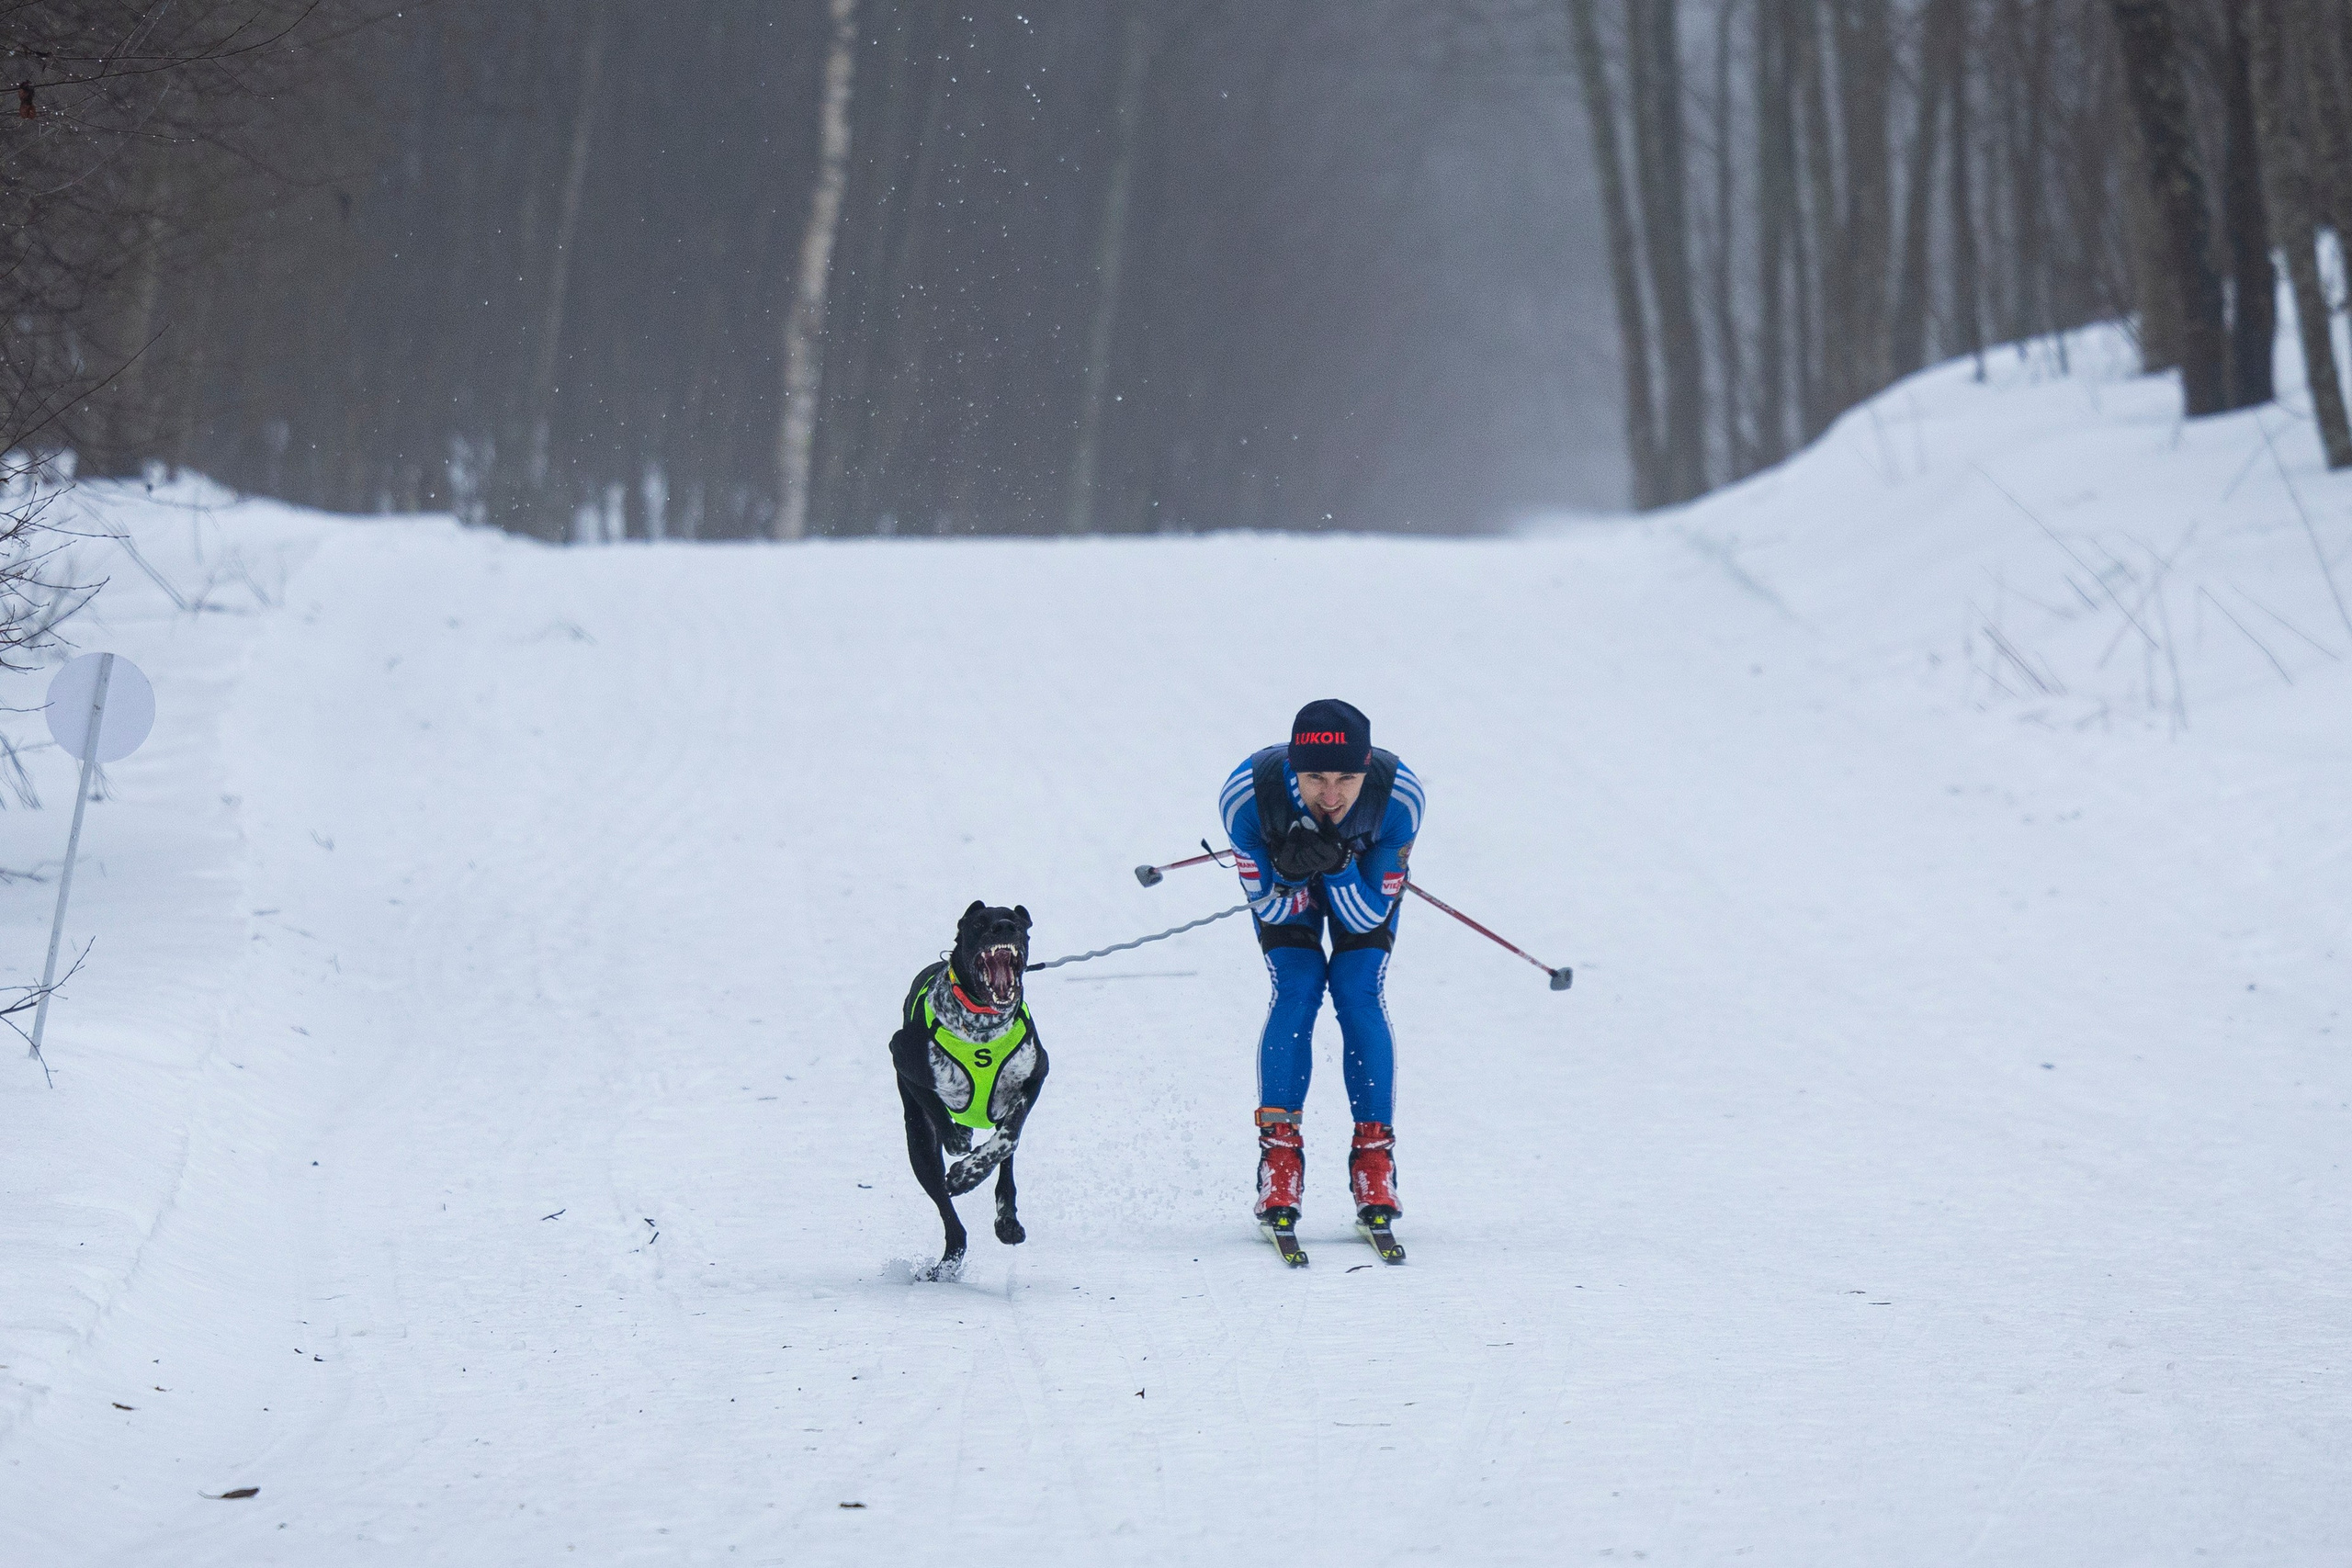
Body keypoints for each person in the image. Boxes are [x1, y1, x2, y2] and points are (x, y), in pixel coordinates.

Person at [1219, 698, 1423, 1234]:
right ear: (1292, 767)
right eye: (1314, 778)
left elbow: (1364, 920)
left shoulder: (1397, 798)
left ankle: (1374, 1160)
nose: (1330, 795)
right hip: (1291, 887)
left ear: (1366, 768)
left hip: (1360, 882)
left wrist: (1334, 867)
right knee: (1299, 986)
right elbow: (1270, 910)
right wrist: (1288, 876)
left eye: (1344, 779)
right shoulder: (1248, 799)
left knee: (1358, 989)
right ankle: (1279, 1160)